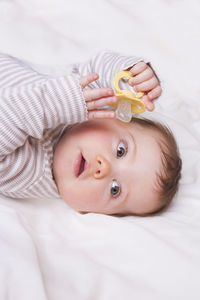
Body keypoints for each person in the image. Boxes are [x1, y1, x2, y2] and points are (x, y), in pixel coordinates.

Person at [0, 50, 181, 216]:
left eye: (115, 189)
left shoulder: (28, 172)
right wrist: (132, 79)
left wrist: (57, 103)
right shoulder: (90, 103)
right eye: (120, 151)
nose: (104, 168)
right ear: (117, 117)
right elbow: (97, 70)